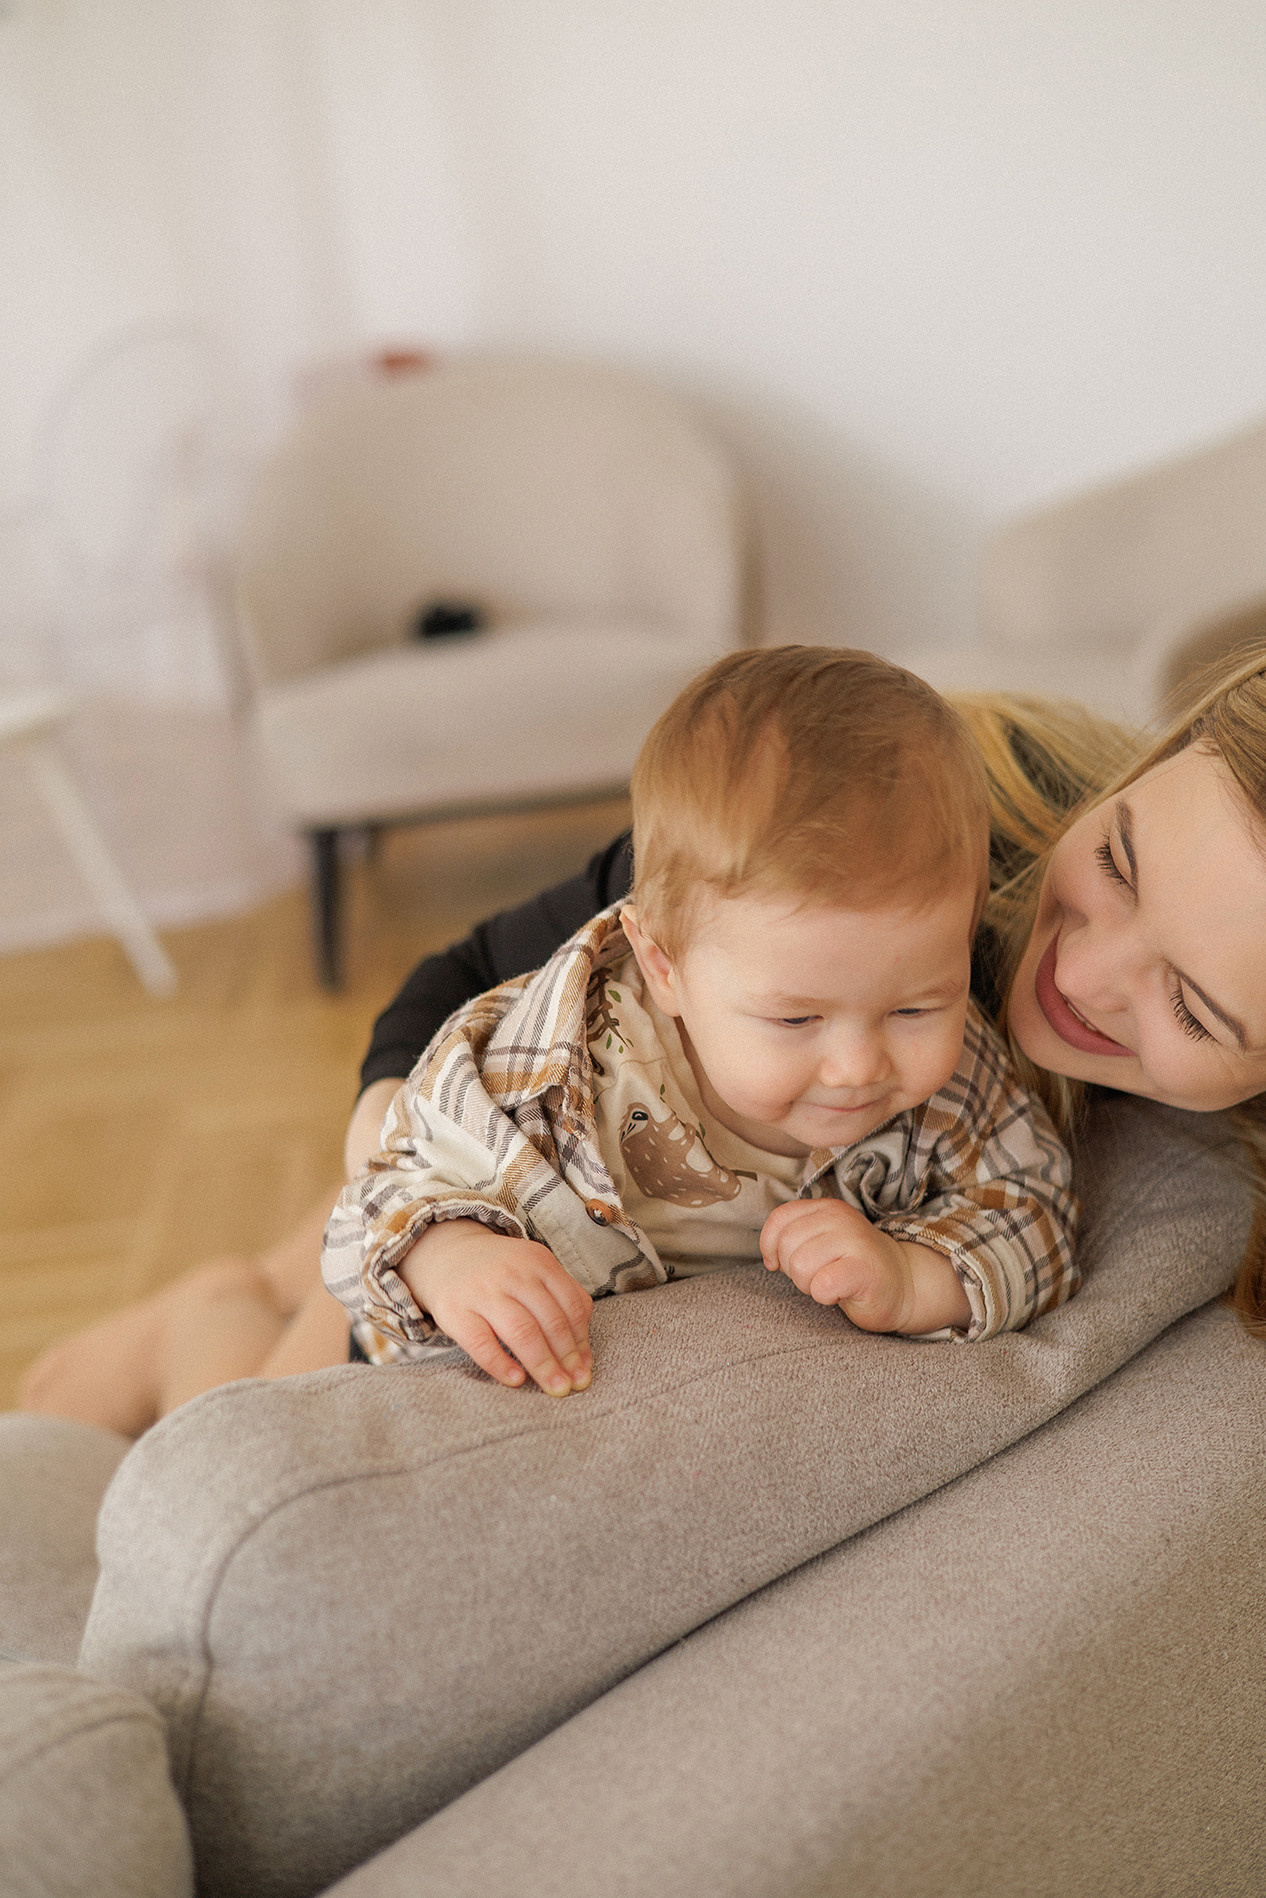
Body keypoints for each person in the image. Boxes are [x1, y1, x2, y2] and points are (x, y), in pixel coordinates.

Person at [20, 642, 1266, 1432]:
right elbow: (459, 988)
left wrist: (911, 1274)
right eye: (1116, 857)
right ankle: (206, 1307)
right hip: (496, 1115)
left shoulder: (967, 1098)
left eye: (1197, 1007)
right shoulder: (855, 858)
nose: (1080, 970)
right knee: (238, 1398)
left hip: (638, 1167)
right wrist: (418, 1198)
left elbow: (1014, 1222)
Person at [321, 648, 1077, 1393]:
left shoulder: (956, 1078)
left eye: (916, 1008)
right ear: (663, 966)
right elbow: (369, 1207)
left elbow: (1037, 1212)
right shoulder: (549, 1070)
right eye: (794, 1019)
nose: (859, 1066)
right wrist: (448, 1256)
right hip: (438, 1368)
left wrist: (917, 1277)